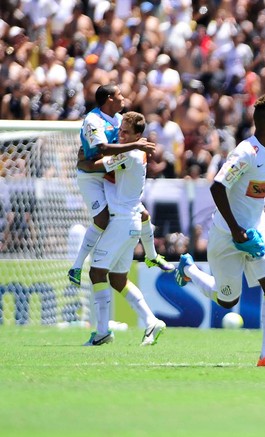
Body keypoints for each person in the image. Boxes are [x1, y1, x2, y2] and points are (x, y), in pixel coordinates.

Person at [175, 94, 265, 367]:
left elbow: (263, 194)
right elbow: (218, 187)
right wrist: (235, 231)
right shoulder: (246, 152)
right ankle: (189, 270)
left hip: (256, 230)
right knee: (227, 300)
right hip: (227, 233)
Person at [69, 83, 173, 286]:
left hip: (109, 172)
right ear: (109, 98)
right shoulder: (92, 120)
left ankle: (152, 256)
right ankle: (77, 265)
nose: (123, 97)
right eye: (119, 94)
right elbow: (102, 147)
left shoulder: (118, 119)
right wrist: (135, 145)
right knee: (102, 218)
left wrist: (134, 145)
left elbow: (123, 146)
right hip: (90, 173)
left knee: (142, 214)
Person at [83, 111, 166, 346]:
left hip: (121, 221)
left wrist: (83, 158)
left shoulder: (129, 153)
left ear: (138, 136)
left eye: (126, 133)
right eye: (120, 131)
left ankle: (101, 332)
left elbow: (94, 166)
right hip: (130, 222)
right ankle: (151, 321)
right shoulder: (134, 152)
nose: (120, 136)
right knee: (118, 279)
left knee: (97, 273)